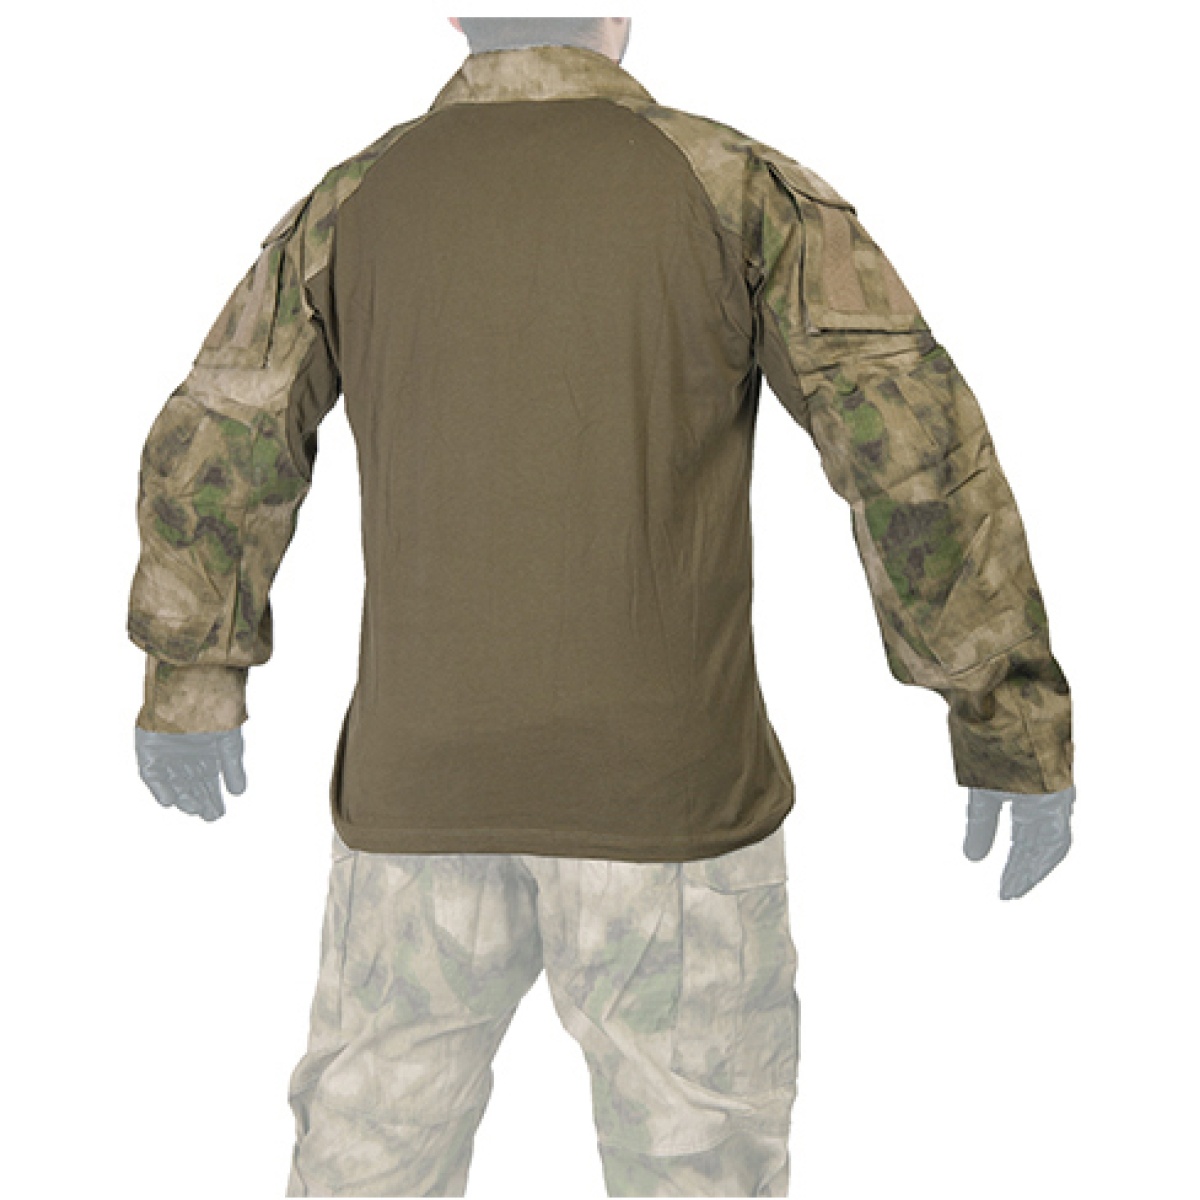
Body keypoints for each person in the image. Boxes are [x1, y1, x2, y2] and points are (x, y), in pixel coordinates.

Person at [127, 16, 1076, 1197]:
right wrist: (1005, 719)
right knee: (698, 1173)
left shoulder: (353, 202)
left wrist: (191, 682)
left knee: (367, 1171)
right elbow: (913, 456)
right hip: (672, 802)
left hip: (421, 800)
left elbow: (224, 437)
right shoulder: (738, 188)